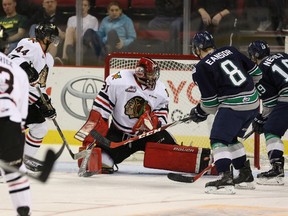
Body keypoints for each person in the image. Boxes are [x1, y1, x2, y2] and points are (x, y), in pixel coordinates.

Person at [74, 57, 212, 175]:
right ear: (140, 74)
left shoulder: (161, 90)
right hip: (120, 135)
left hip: (148, 136)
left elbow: (162, 115)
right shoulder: (118, 81)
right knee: (104, 161)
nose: (154, 79)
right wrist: (89, 141)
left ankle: (206, 161)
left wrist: (154, 123)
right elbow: (99, 113)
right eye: (150, 75)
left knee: (173, 153)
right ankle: (99, 155)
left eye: (154, 75)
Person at [190, 31, 262, 194]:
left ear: (197, 48)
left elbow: (210, 104)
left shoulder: (201, 67)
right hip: (253, 104)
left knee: (217, 139)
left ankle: (225, 179)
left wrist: (199, 112)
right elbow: (257, 73)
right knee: (230, 138)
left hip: (234, 107)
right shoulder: (230, 50)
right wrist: (246, 91)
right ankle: (244, 176)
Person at [8, 22, 59, 172]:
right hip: (13, 96)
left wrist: (45, 104)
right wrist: (25, 67)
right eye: (52, 37)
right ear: (45, 37)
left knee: (40, 128)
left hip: (25, 99)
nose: (54, 41)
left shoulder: (48, 59)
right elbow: (12, 61)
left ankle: (23, 160)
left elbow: (39, 87)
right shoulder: (30, 44)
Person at [248, 40, 288, 185]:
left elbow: (270, 103)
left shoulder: (261, 70)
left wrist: (261, 118)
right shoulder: (283, 55)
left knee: (271, 130)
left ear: (253, 56)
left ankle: (276, 169)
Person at [0, 41, 32, 215]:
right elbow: (21, 110)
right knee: (15, 171)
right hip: (9, 118)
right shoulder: (17, 70)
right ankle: (24, 210)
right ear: (5, 47)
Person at [83, 1, 136, 65]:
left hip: (118, 45)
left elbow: (132, 37)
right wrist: (93, 38)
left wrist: (123, 43)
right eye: (112, 10)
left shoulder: (127, 20)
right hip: (104, 44)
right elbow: (100, 34)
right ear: (108, 11)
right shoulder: (105, 20)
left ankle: (103, 58)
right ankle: (79, 54)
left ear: (120, 11)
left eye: (116, 10)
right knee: (89, 31)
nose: (114, 12)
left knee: (112, 33)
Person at [61, 0, 98, 65]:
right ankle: (64, 59)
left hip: (86, 41)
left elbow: (92, 35)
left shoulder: (93, 19)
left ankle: (65, 59)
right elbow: (69, 35)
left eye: (85, 5)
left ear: (88, 7)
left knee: (70, 30)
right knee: (66, 30)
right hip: (74, 39)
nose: (82, 7)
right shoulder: (71, 19)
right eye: (80, 5)